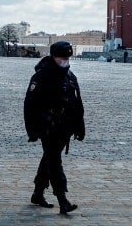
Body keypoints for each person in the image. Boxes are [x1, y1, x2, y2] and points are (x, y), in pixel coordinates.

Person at [24, 41, 85, 214]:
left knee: (50, 159)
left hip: (65, 127)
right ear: (53, 57)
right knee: (54, 162)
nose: (65, 60)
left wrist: (80, 127)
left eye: (67, 57)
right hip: (48, 127)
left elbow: (77, 103)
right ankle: (62, 199)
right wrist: (33, 130)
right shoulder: (42, 76)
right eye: (62, 57)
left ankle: (37, 192)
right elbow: (29, 104)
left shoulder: (70, 76)